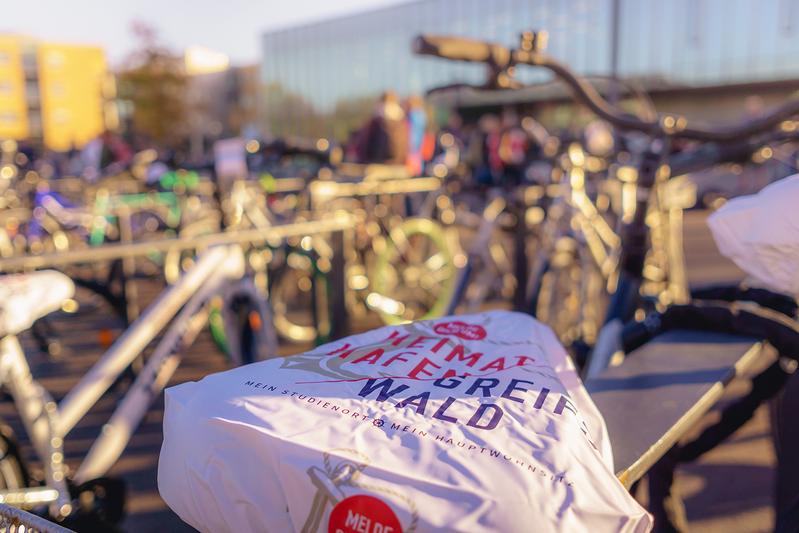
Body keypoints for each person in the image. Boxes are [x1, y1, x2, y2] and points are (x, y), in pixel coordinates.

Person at [356, 91, 408, 165]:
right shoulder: (402, 120)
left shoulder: (377, 118)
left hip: (377, 159)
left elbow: (365, 141)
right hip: (397, 161)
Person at [405, 95, 427, 175]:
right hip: (418, 148)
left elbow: (412, 134)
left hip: (412, 148)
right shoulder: (422, 115)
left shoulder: (412, 115)